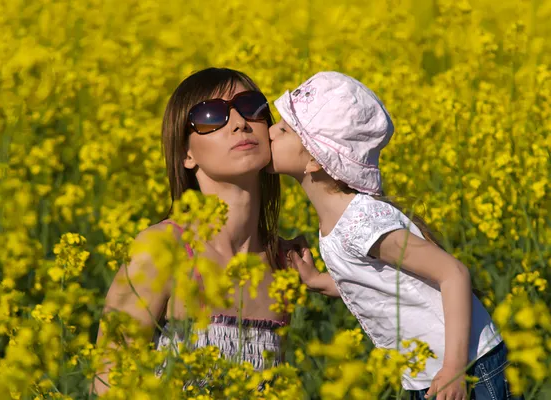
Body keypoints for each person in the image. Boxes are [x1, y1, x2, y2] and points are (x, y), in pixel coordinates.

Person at [268, 71, 521, 399]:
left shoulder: (361, 221)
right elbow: (376, 280)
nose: (270, 131)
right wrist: (319, 281)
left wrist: (454, 369)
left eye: (284, 129)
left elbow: (453, 273)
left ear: (315, 160)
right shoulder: (338, 219)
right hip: (430, 372)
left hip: (469, 366)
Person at [92, 68, 288, 395]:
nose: (240, 122)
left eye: (252, 106)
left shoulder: (284, 263)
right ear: (186, 154)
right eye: (212, 115)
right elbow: (109, 380)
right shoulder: (162, 249)